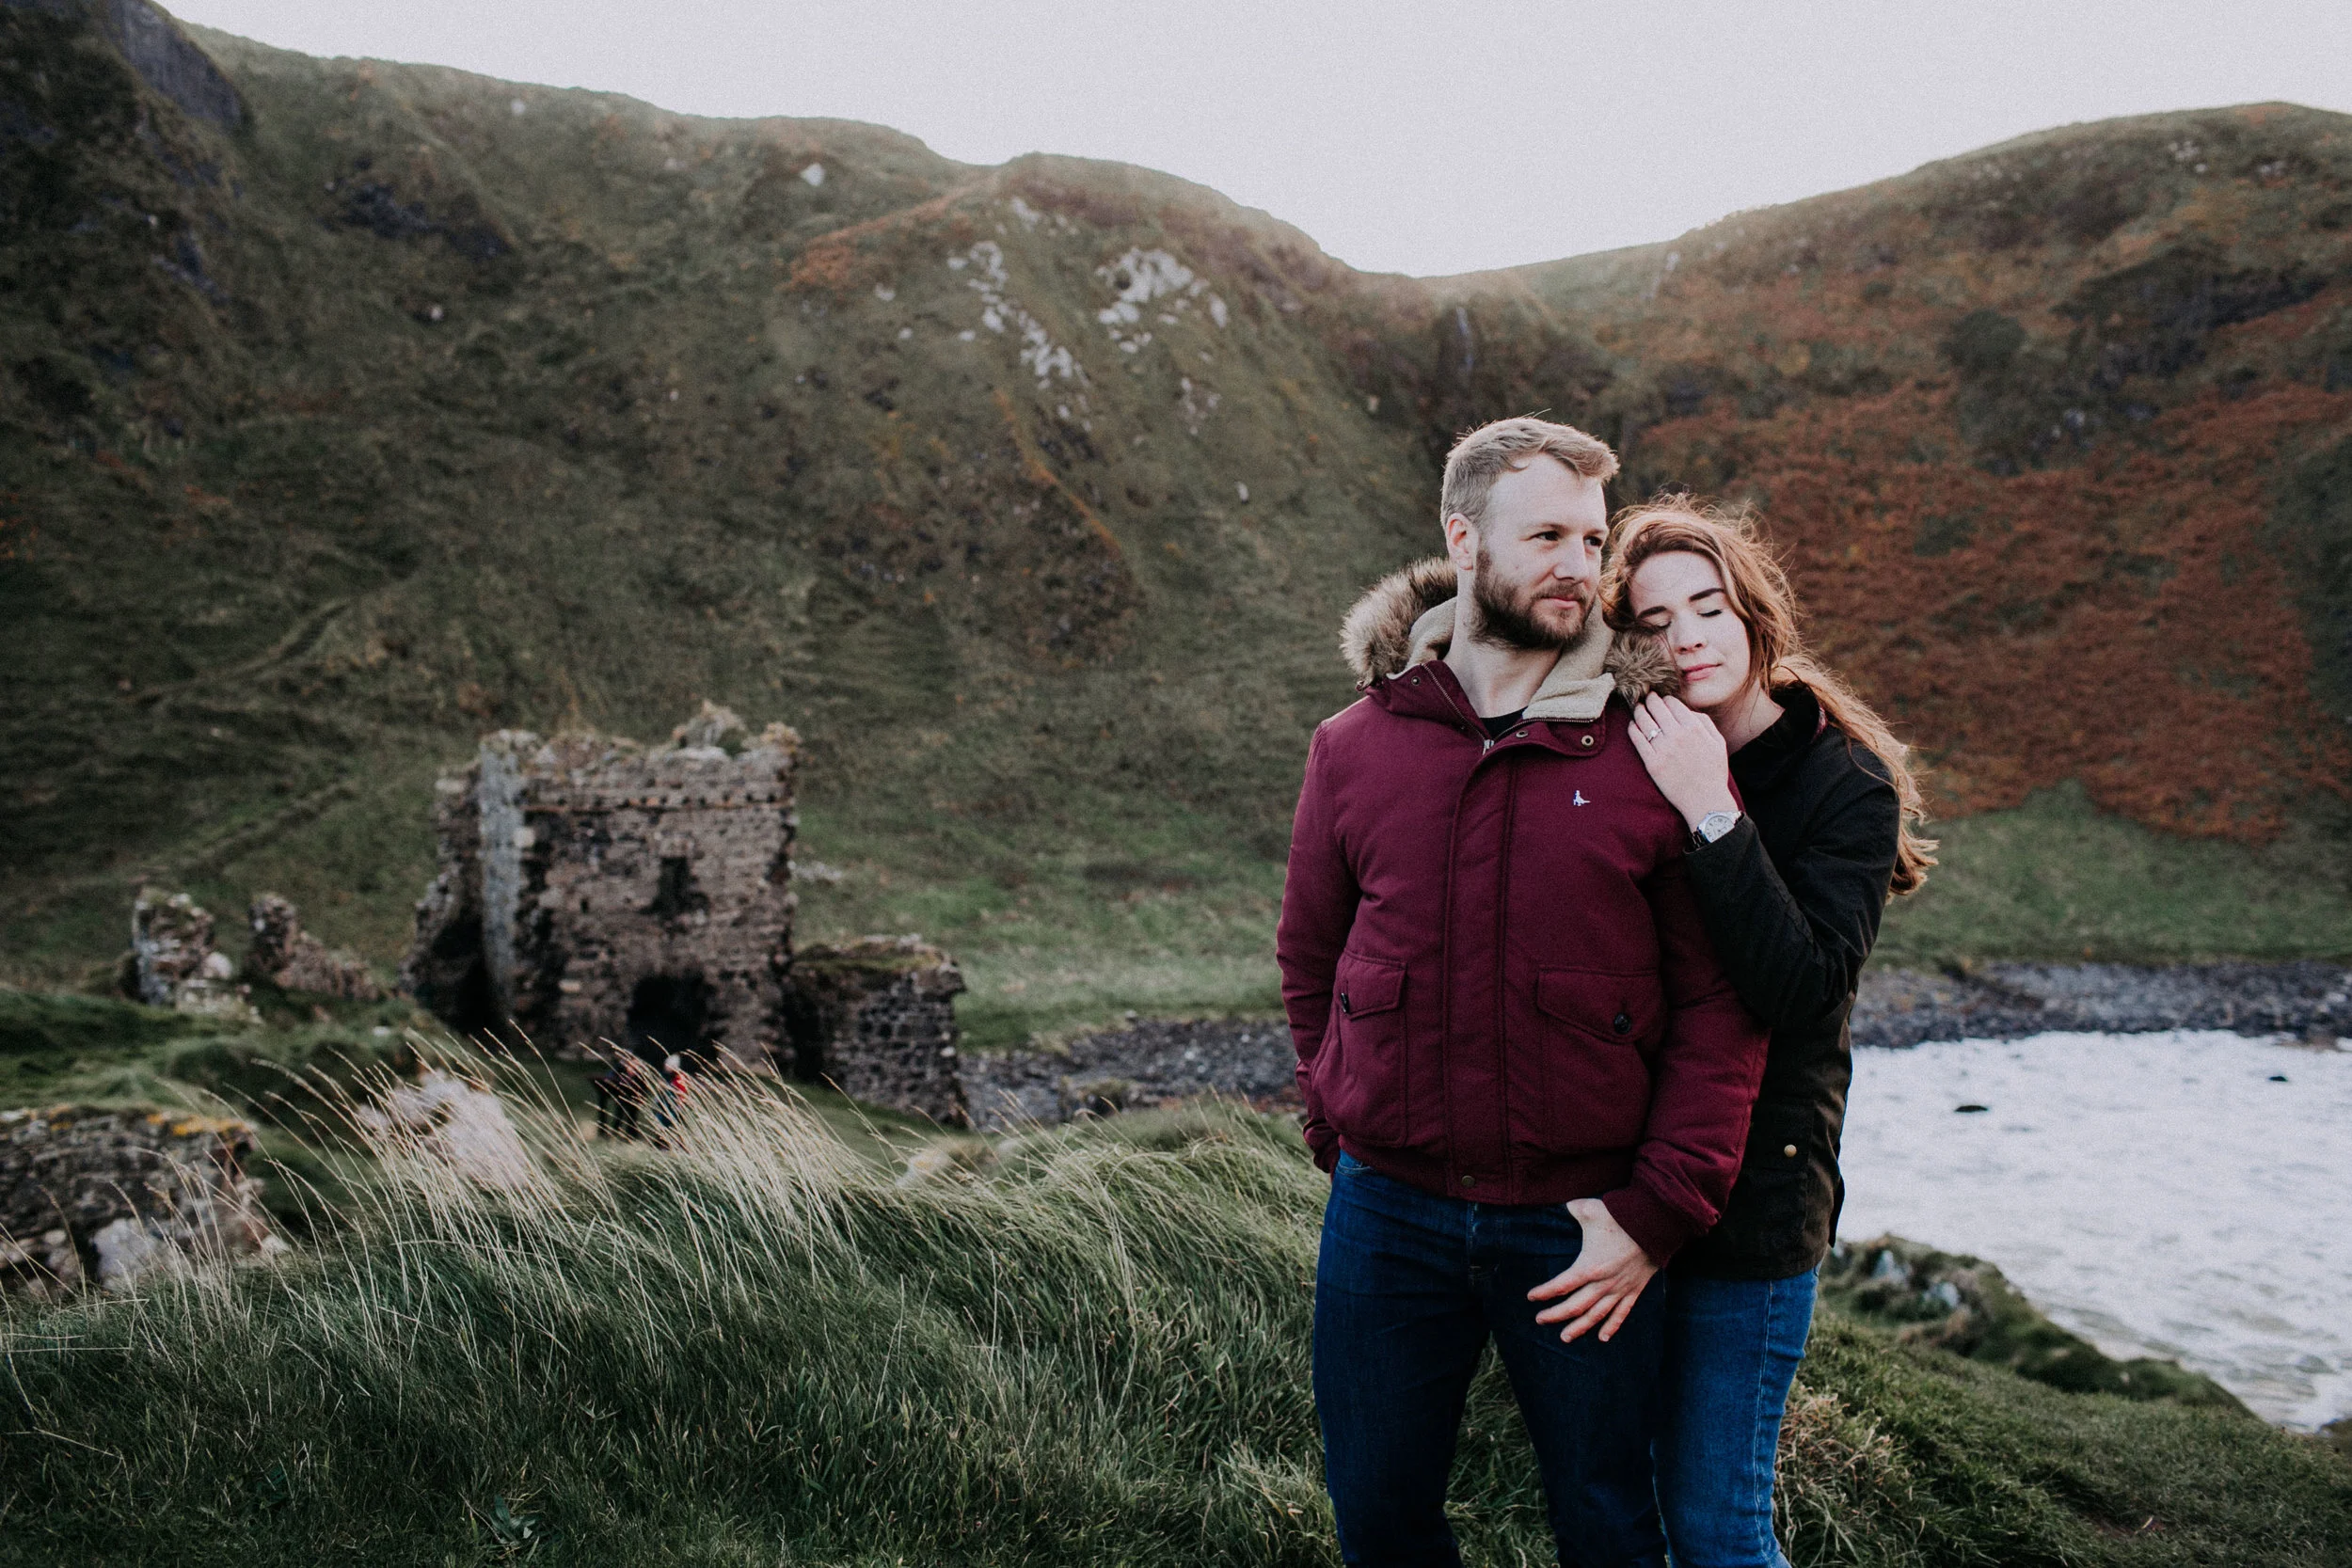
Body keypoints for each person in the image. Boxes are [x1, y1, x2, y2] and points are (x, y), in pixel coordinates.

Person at [1280, 417, 1770, 1568]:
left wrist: (1655, 1213)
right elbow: (1311, 955)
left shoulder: (1656, 743)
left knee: (1606, 1525)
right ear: (1463, 537)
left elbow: (1721, 1006)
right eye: (1545, 532)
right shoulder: (1353, 745)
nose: (1577, 565)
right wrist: (1333, 1121)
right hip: (1385, 1213)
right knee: (1379, 1516)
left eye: (1591, 538)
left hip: (1583, 1225)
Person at [1598, 494, 1935, 1568]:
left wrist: (1711, 807)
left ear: (1754, 615)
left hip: (1756, 1201)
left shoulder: (1844, 781)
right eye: (1652, 621)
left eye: (1707, 605)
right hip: (1626, 1180)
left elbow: (1799, 987)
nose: (1685, 635)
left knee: (1717, 1523)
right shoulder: (1626, 743)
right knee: (1626, 1508)